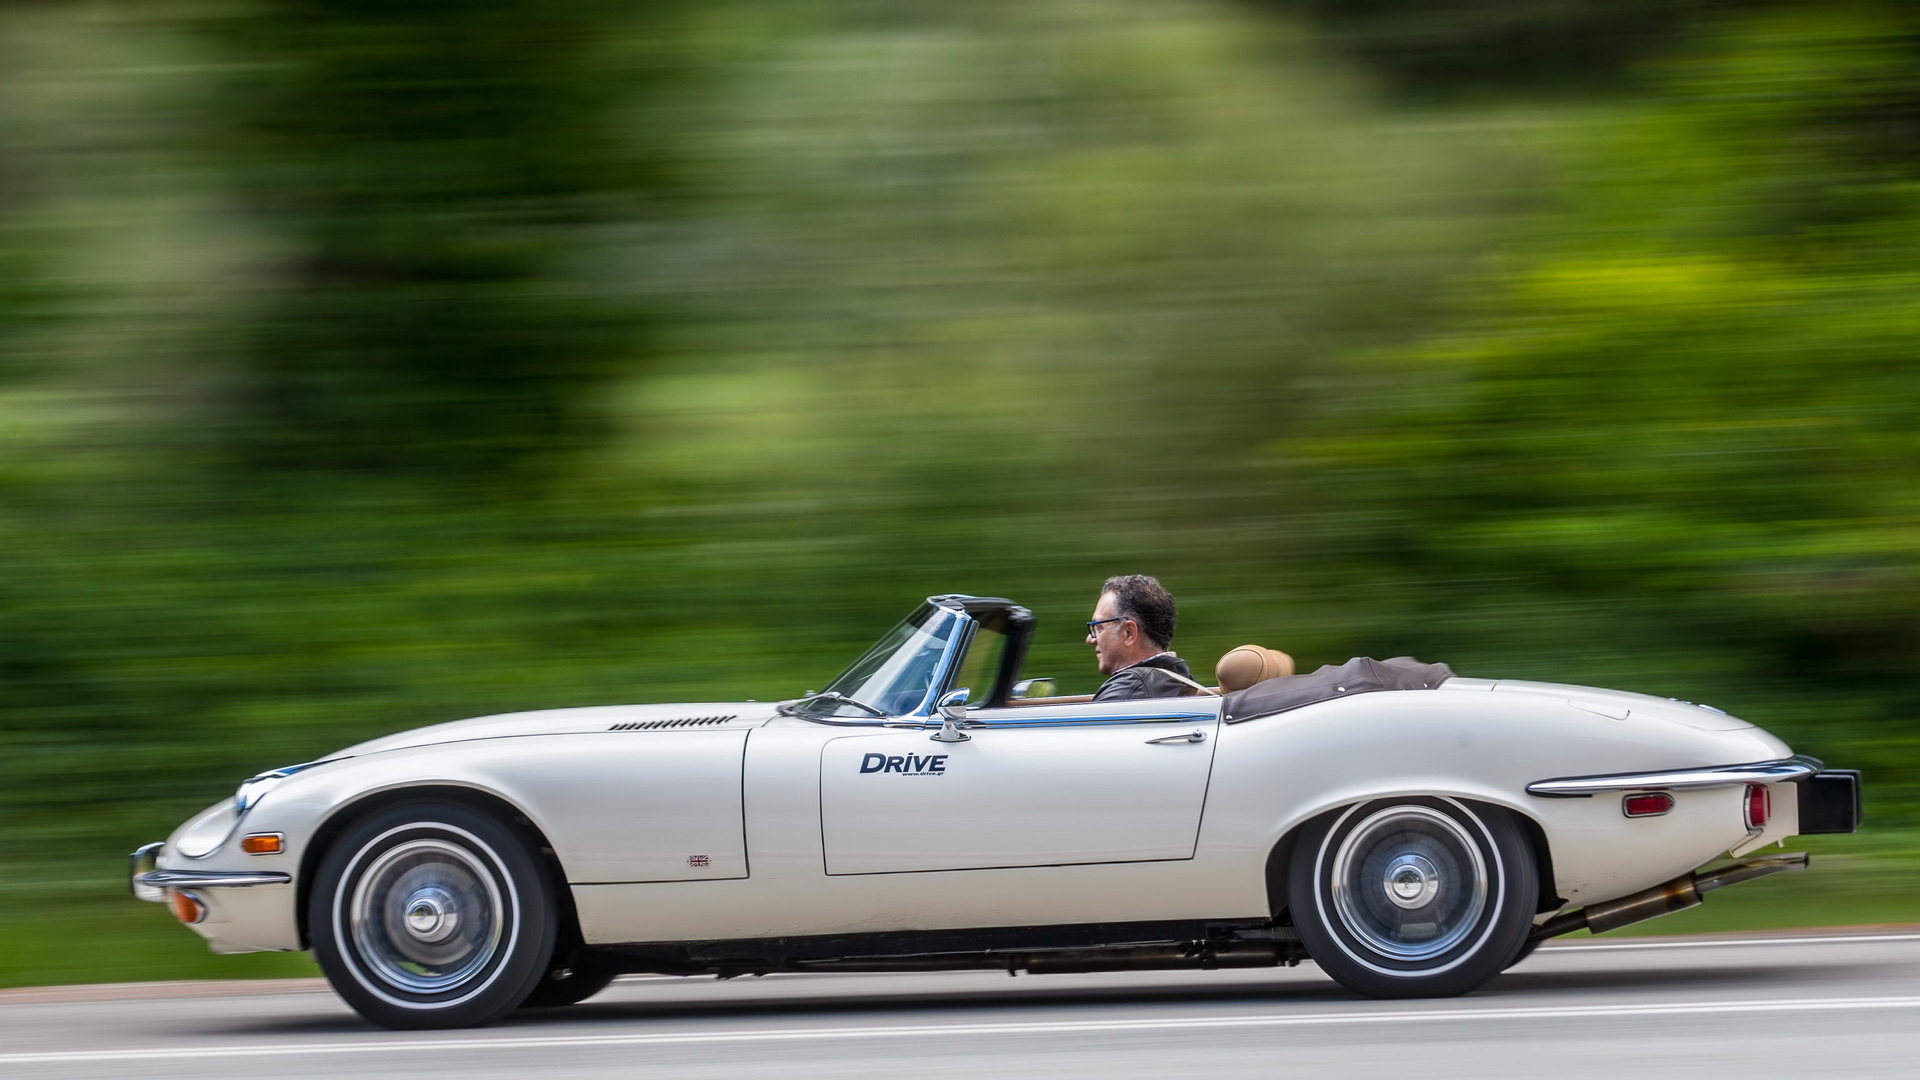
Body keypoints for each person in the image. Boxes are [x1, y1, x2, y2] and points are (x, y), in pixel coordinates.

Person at [1086, 574, 1198, 701]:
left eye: (1099, 627)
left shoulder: (1129, 688)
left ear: (1129, 633)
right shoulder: (1178, 679)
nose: (1090, 639)